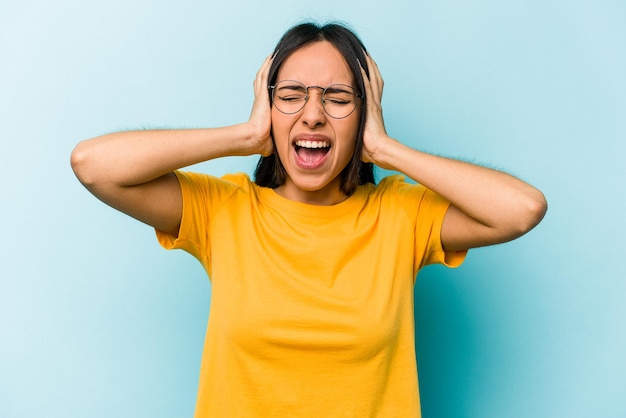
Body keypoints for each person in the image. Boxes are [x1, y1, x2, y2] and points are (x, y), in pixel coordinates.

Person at [71, 21, 547, 418]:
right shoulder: (224, 209)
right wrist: (245, 134)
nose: (313, 115)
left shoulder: (401, 214)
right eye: (292, 95)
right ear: (268, 104)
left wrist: (384, 148)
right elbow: (93, 165)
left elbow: (521, 209)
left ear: (365, 112)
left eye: (338, 98)